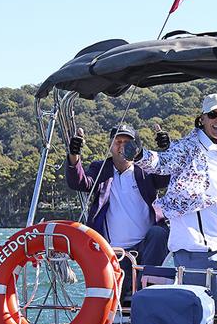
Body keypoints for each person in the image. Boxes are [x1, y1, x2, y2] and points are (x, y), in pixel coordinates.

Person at [132, 93, 217, 324]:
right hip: (195, 248)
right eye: (213, 115)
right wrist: (139, 155)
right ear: (201, 118)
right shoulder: (190, 146)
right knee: (200, 314)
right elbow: (162, 162)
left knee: (208, 316)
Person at [65, 124, 169, 300]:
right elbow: (80, 182)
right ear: (110, 146)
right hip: (114, 253)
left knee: (159, 233)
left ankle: (149, 294)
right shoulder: (100, 169)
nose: (122, 146)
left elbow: (166, 177)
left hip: (146, 249)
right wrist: (74, 155)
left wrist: (166, 149)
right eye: (118, 142)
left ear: (136, 147)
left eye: (128, 142)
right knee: (119, 302)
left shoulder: (146, 169)